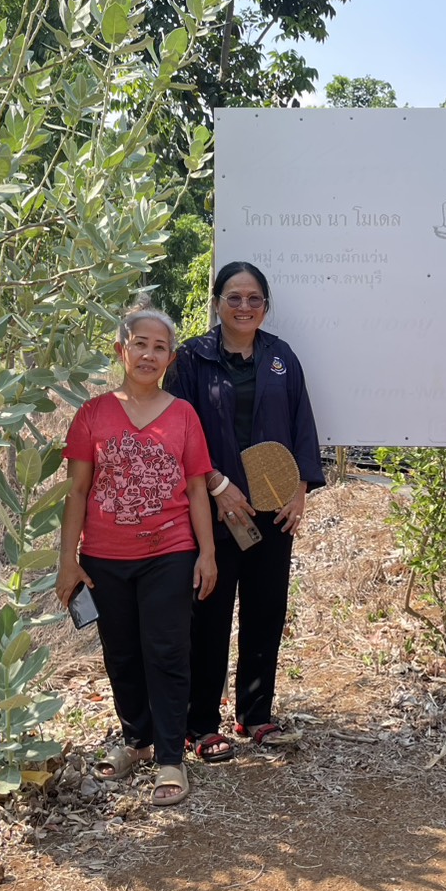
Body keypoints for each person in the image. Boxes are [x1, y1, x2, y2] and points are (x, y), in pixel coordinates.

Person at [56, 301, 217, 807]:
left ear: (170, 358)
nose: (149, 354)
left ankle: (170, 758)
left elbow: (195, 491)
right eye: (140, 344)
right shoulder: (92, 414)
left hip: (170, 552)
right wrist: (68, 559)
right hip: (104, 557)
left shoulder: (184, 415)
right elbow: (78, 492)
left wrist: (207, 554)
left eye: (160, 347)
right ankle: (138, 742)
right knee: (120, 653)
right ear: (121, 349)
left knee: (167, 652)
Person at [166, 261, 324, 760]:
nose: (244, 307)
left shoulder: (281, 357)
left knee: (265, 613)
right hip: (212, 511)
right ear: (217, 302)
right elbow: (177, 431)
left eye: (254, 298)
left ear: (265, 305)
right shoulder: (191, 358)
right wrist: (215, 483)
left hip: (273, 510)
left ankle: (255, 715)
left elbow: (302, 423)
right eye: (234, 297)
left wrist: (299, 491)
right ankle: (200, 723)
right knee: (208, 615)